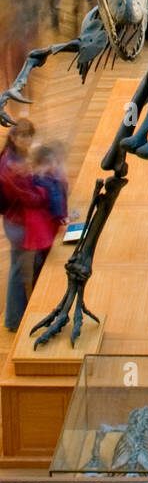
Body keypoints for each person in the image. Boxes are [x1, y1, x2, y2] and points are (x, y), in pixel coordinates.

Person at [0, 119, 42, 330]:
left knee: (28, 267)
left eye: (29, 135)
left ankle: (31, 309)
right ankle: (14, 320)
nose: (27, 139)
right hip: (18, 224)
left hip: (21, 221)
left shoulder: (17, 157)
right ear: (13, 137)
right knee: (19, 271)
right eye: (23, 136)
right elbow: (30, 198)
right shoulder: (11, 166)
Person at [25, 143, 68, 286]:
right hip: (46, 225)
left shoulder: (38, 178)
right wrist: (63, 220)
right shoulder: (47, 180)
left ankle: (37, 283)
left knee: (42, 255)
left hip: (43, 225)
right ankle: (39, 284)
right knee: (44, 257)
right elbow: (56, 202)